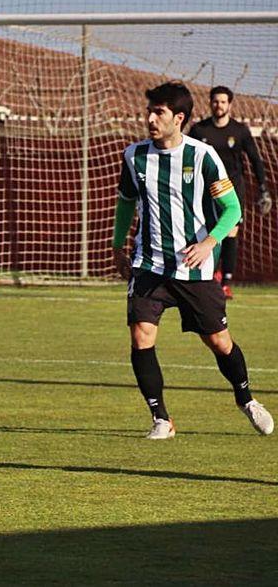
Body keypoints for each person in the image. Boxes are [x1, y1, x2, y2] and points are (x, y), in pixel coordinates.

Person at [112, 81, 272, 440]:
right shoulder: (134, 156)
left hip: (194, 269)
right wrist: (117, 242)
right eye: (149, 111)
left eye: (159, 113)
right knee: (141, 336)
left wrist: (210, 242)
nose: (150, 118)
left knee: (219, 342)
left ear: (179, 118)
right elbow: (125, 201)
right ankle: (161, 419)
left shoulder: (202, 157)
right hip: (149, 265)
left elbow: (233, 209)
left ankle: (245, 398)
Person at [188, 85, 272, 299]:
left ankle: (225, 281)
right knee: (207, 233)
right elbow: (186, 157)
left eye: (223, 102)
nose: (219, 105)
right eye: (216, 101)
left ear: (230, 104)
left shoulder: (240, 131)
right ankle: (208, 275)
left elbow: (255, 160)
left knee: (230, 233)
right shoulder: (199, 130)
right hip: (205, 192)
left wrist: (263, 187)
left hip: (232, 190)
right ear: (210, 103)